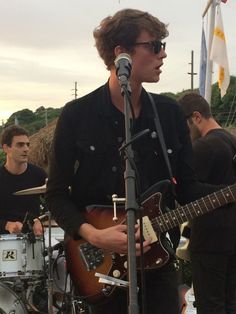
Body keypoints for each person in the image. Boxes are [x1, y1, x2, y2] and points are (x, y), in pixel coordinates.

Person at [46, 9, 221, 314]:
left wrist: (229, 193)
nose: (163, 54)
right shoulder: (77, 115)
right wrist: (94, 235)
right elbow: (56, 194)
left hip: (159, 265)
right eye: (155, 46)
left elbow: (188, 189)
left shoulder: (168, 114)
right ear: (121, 53)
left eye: (163, 45)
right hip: (101, 269)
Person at [178, 92, 236, 314]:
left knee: (209, 307)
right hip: (232, 241)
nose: (185, 134)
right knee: (230, 304)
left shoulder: (204, 146)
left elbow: (185, 192)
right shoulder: (231, 140)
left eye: (184, 125)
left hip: (210, 242)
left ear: (196, 117)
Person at [0, 125, 47, 235]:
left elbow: (55, 205)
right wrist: (7, 225)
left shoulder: (38, 174)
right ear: (6, 148)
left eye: (27, 144)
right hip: (3, 240)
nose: (26, 149)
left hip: (33, 238)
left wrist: (40, 220)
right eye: (20, 145)